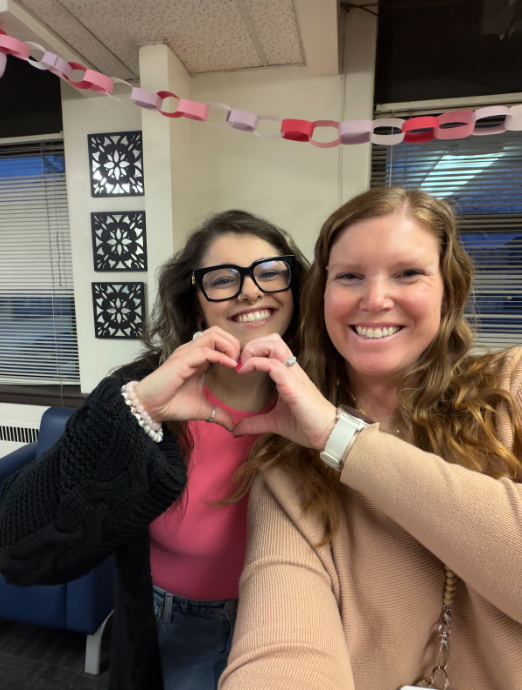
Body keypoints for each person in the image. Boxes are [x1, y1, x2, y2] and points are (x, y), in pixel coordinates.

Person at [218, 188, 522, 690]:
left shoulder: (511, 385)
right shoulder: (288, 462)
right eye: (350, 276)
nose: (375, 298)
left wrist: (345, 440)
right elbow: (280, 650)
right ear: (322, 294)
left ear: (448, 289)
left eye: (408, 273)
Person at [0, 209, 308, 690]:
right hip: (173, 625)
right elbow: (18, 549)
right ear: (196, 302)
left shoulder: (323, 393)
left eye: (270, 272)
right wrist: (139, 412)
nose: (251, 290)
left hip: (291, 623)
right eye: (223, 279)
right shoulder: (139, 391)